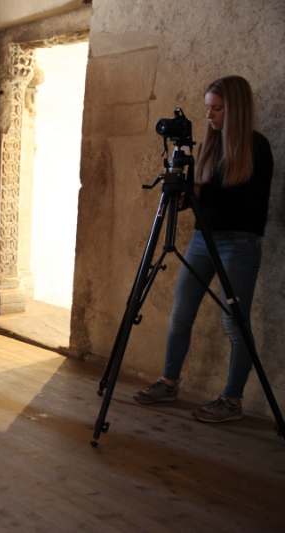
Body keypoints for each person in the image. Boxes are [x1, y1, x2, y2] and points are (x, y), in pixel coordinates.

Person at [133, 76, 274, 422]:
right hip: (202, 238)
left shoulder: (256, 147)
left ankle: (232, 400)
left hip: (238, 243)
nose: (209, 115)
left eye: (217, 108)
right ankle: (169, 383)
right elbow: (203, 200)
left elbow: (248, 202)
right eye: (208, 107)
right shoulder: (209, 147)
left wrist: (200, 191)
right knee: (181, 313)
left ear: (236, 109)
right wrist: (183, 196)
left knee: (235, 323)